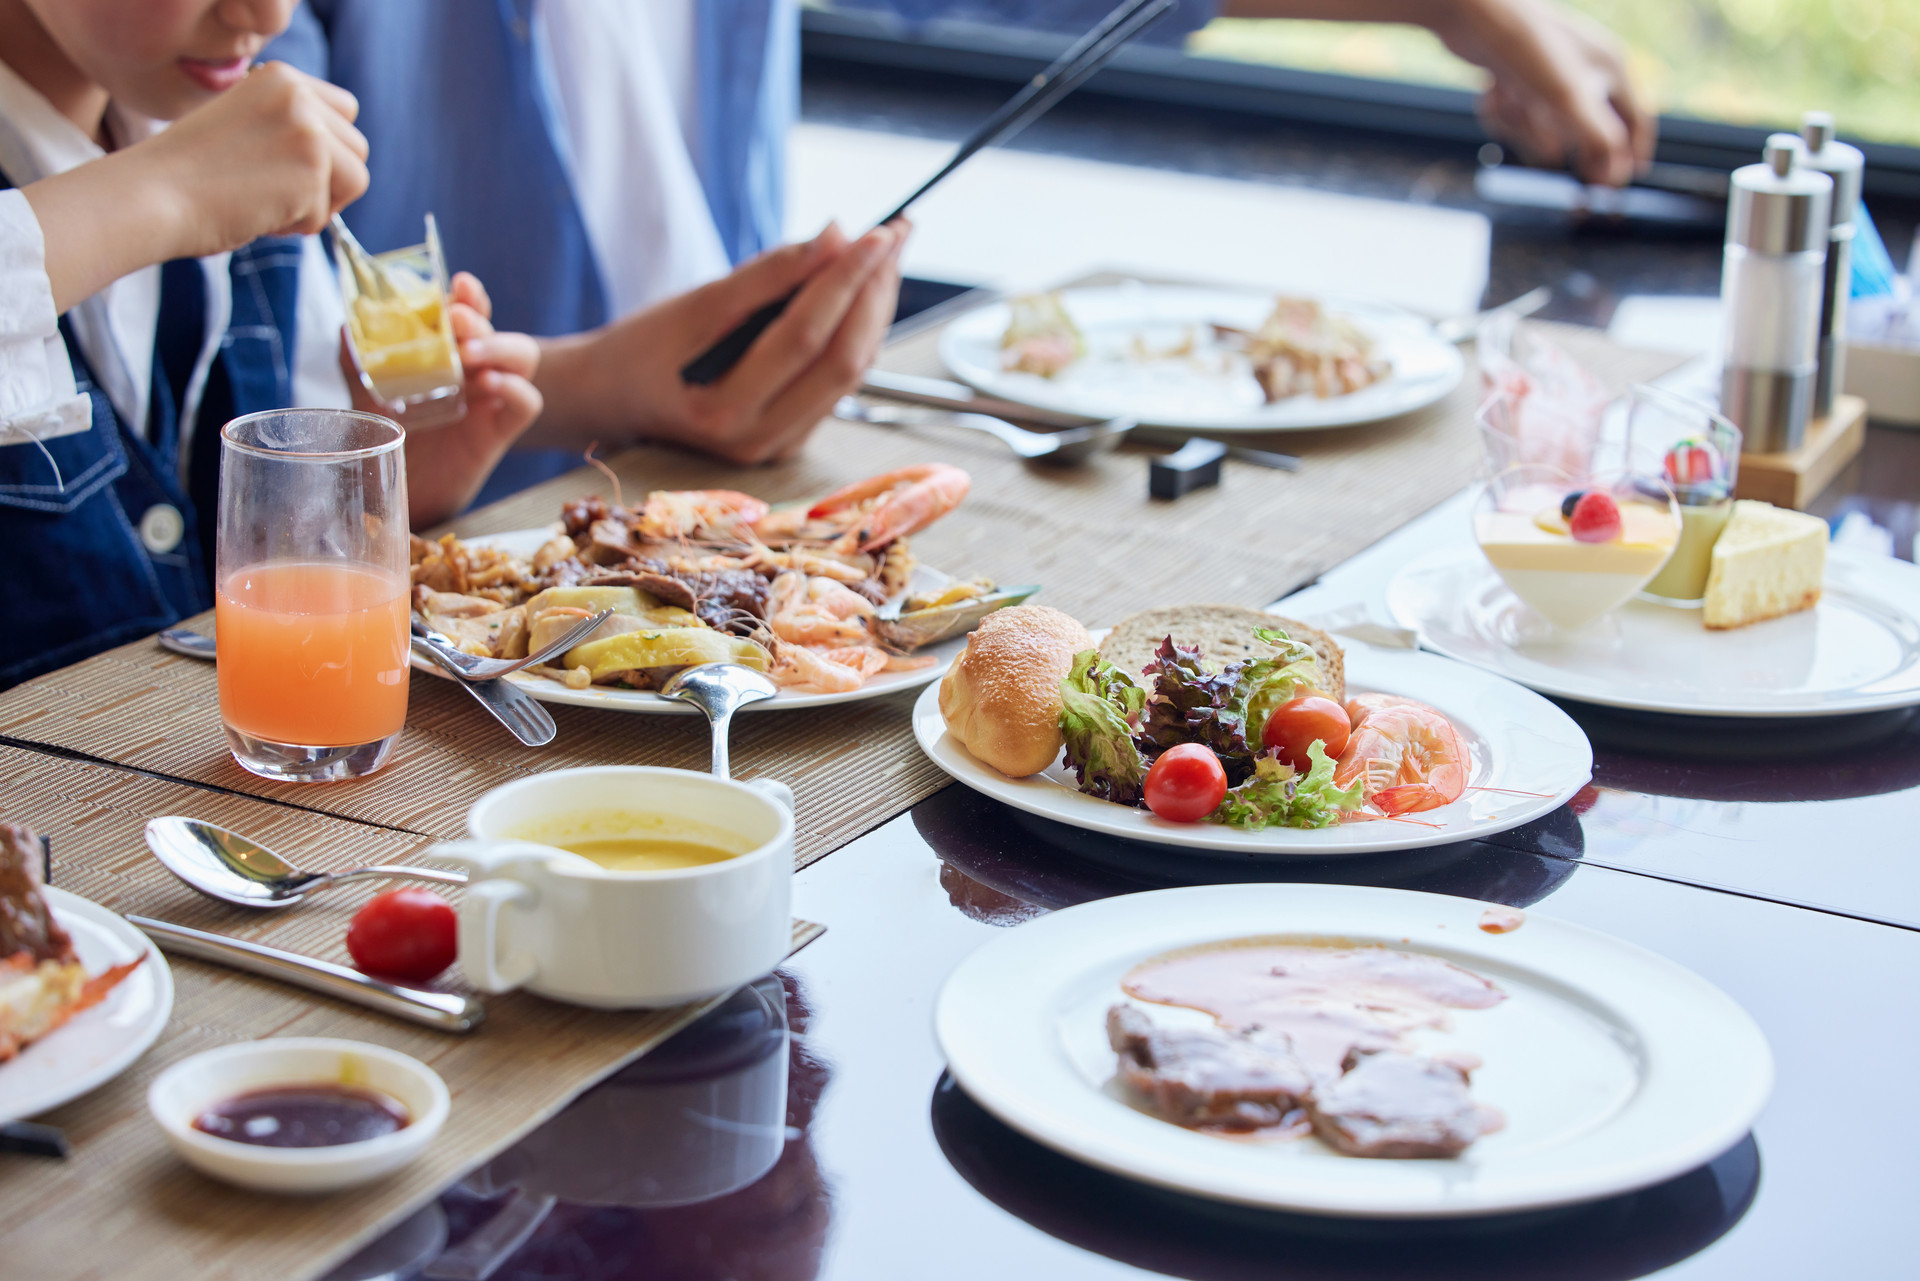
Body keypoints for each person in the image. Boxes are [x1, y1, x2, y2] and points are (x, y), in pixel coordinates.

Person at [272, 0, 1651, 493]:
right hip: (460, 542)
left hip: (746, 497)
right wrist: (597, 386)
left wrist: (1451, 5)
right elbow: (288, 401)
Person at [0, 0, 544, 688]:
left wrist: (363, 505)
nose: (268, 12)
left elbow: (281, 574)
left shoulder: (241, 154)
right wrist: (163, 192)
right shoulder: (209, 159)